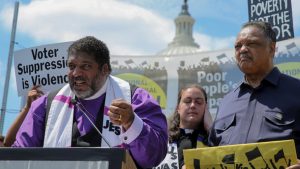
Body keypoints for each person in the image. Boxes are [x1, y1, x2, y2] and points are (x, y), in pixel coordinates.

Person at [12, 36, 168, 168]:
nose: (76, 73)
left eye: (85, 66)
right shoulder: (47, 105)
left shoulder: (135, 99)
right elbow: (19, 159)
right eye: (71, 66)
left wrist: (131, 123)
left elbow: (153, 157)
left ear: (105, 69)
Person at [208, 21, 300, 168]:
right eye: (238, 46)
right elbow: (211, 151)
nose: (243, 50)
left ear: (272, 49)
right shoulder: (226, 102)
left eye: (251, 44)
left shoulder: (297, 91)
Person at [164, 84, 212, 169]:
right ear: (178, 107)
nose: (193, 105)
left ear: (206, 107)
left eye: (199, 102)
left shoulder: (212, 139)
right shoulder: (163, 139)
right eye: (187, 101)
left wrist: (210, 128)